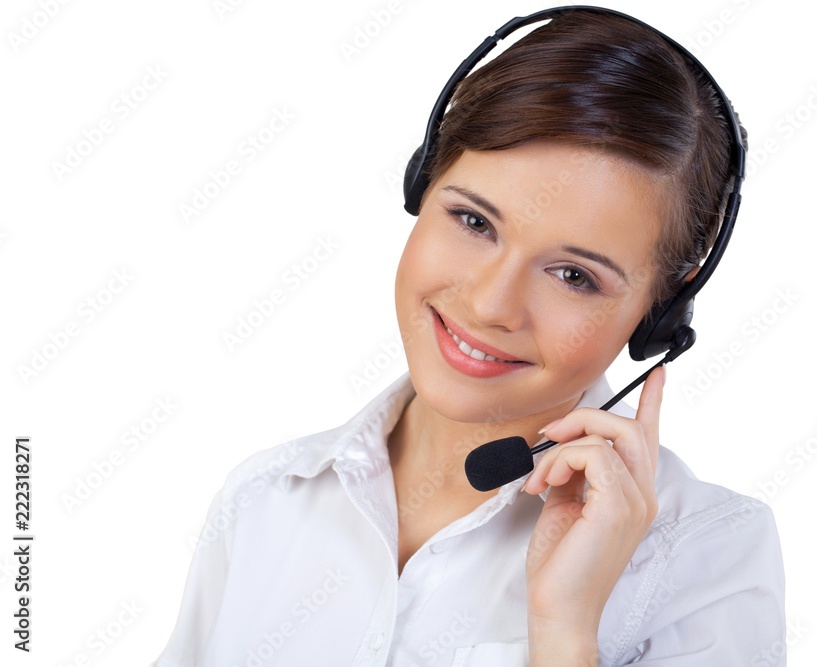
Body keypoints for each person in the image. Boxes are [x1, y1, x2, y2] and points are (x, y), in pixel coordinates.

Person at [152, 7, 784, 666]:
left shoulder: (710, 558)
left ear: (661, 311)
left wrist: (564, 630)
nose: (490, 303)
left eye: (574, 274)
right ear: (421, 184)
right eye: (474, 220)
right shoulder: (265, 499)